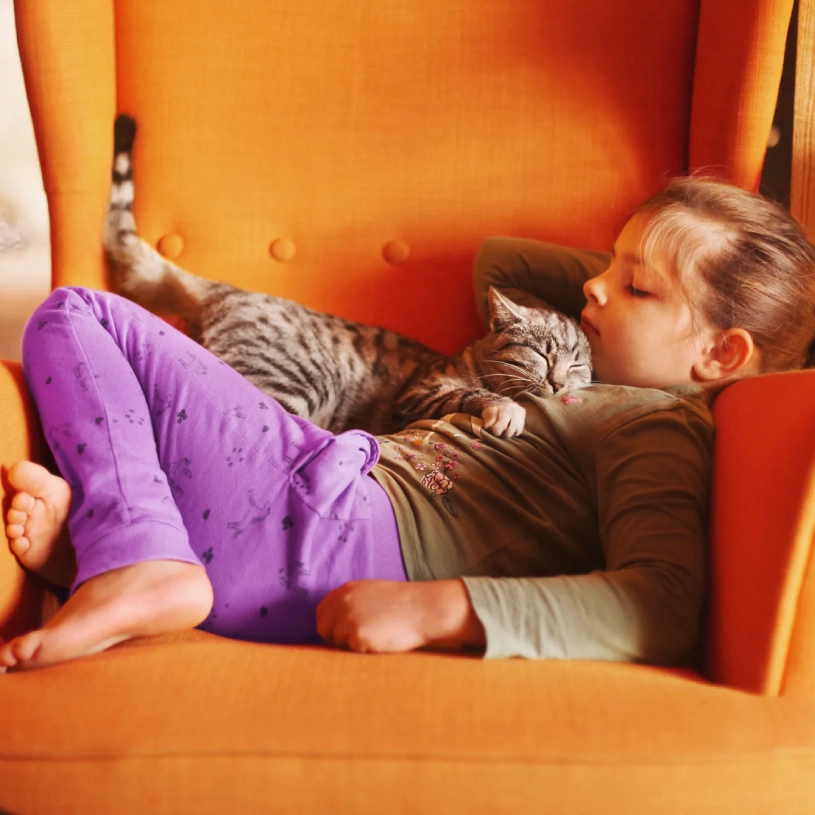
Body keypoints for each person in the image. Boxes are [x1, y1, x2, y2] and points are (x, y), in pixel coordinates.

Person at [2, 176, 814, 671]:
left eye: (635, 287)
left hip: (338, 517)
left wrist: (438, 609)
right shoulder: (601, 384)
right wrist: (639, 269)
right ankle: (118, 543)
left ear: (720, 353)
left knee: (77, 314)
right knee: (124, 386)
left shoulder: (659, 427)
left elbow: (660, 603)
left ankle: (133, 548)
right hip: (315, 503)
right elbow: (499, 262)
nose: (592, 289)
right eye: (602, 265)